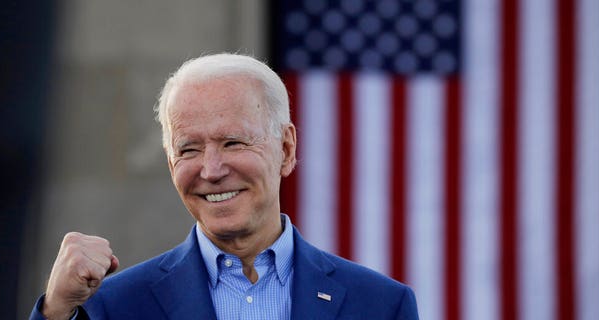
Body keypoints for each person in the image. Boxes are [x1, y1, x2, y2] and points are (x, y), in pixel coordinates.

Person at [29, 53, 419, 320]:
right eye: (189, 149)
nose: (211, 170)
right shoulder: (112, 307)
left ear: (285, 149)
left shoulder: (381, 305)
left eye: (233, 142)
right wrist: (56, 311)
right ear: (170, 163)